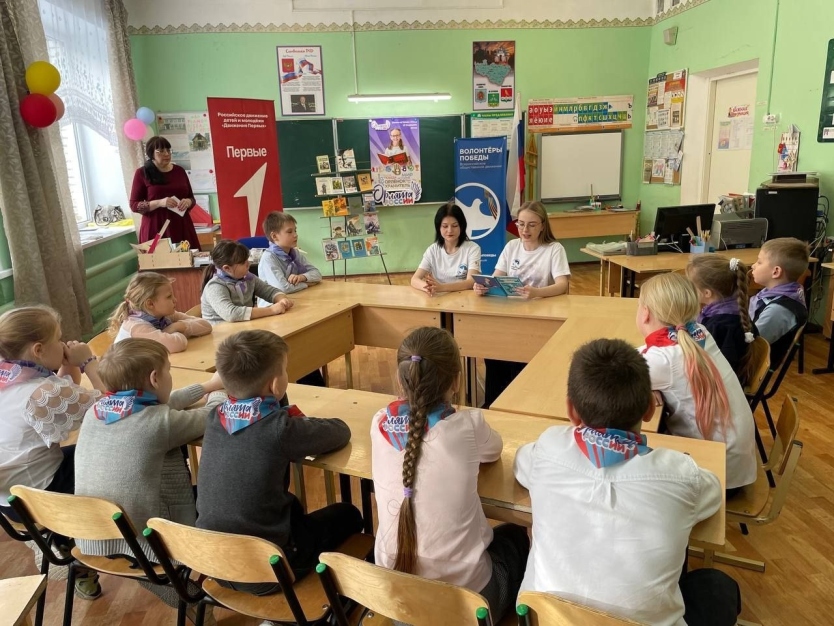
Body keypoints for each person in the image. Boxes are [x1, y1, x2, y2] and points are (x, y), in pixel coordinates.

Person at [514, 338, 741, 626]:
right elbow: (713, 494)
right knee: (717, 586)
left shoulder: (548, 447)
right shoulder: (682, 475)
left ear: (571, 411)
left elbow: (520, 463)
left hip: (543, 620)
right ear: (650, 408)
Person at [372, 327, 529, 624]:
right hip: (468, 608)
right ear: (456, 381)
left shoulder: (379, 422)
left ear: (400, 380)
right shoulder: (467, 426)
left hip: (400, 606)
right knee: (516, 537)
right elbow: (494, 450)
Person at [196, 330, 363, 602]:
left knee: (294, 513)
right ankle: (333, 601)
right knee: (349, 514)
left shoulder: (216, 417)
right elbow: (339, 432)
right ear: (275, 385)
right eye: (285, 370)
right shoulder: (279, 429)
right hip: (270, 569)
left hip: (214, 562)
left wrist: (276, 401)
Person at [75, 339, 224, 561]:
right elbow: (212, 415)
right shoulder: (159, 423)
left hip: (96, 536)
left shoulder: (95, 411)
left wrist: (206, 386)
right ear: (155, 378)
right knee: (218, 497)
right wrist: (220, 392)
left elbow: (161, 406)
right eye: (168, 371)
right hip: (151, 543)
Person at [0, 306, 106, 600]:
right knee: (118, 450)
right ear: (38, 349)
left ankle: (60, 543)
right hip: (44, 495)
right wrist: (88, 362)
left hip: (9, 500)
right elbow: (111, 409)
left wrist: (67, 365)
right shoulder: (39, 393)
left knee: (82, 451)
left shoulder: (11, 376)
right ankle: (104, 543)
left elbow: (63, 395)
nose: (63, 343)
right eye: (58, 339)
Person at [637, 273, 757, 493]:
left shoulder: (663, 362)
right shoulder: (698, 333)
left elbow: (611, 376)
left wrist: (645, 383)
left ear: (645, 313)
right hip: (734, 460)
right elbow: (644, 356)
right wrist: (647, 382)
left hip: (716, 473)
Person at [475, 200, 570, 408]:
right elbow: (496, 277)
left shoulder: (554, 249)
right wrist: (483, 286)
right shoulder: (512, 247)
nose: (525, 230)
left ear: (542, 225)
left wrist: (537, 292)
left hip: (540, 315)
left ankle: (519, 404)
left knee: (519, 359)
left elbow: (562, 285)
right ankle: (494, 404)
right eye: (521, 224)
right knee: (494, 353)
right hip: (511, 313)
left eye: (532, 225)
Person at [686, 256, 754, 379]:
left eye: (690, 286)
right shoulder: (734, 310)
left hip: (720, 383)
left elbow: (704, 366)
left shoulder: (719, 326)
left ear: (707, 293)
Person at [109, 272, 211, 353]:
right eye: (169, 297)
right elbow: (177, 344)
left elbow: (206, 326)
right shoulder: (136, 327)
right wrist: (175, 330)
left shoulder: (165, 316)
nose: (175, 300)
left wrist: (179, 326)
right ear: (150, 304)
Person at [129, 136, 201, 251]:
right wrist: (159, 203)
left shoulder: (179, 171)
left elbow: (191, 198)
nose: (166, 154)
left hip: (181, 225)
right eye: (161, 151)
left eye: (168, 150)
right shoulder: (142, 173)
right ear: (151, 153)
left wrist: (188, 202)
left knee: (186, 259)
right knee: (158, 260)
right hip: (156, 227)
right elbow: (134, 205)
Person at [749, 237, 810, 367]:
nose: (753, 266)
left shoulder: (778, 310)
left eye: (759, 262)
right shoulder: (772, 293)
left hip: (748, 368)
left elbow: (751, 346)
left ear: (776, 272)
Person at [200, 240, 294, 324]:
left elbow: (269, 291)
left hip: (242, 328)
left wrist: (281, 299)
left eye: (247, 260)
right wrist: (271, 310)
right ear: (227, 268)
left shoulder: (248, 278)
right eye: (243, 263)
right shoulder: (215, 286)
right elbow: (232, 314)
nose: (248, 264)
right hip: (220, 334)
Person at [411, 202, 482, 295]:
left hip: (464, 298)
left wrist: (441, 287)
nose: (450, 230)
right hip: (439, 299)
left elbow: (471, 282)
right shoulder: (432, 250)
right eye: (445, 226)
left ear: (461, 226)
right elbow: (414, 279)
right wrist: (428, 287)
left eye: (454, 226)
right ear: (438, 228)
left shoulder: (473, 248)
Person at [258, 212, 322, 298]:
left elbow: (317, 274)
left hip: (295, 297)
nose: (295, 235)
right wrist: (307, 284)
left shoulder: (295, 253)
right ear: (274, 236)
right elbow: (282, 288)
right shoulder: (269, 258)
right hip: (272, 303)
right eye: (289, 232)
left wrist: (302, 277)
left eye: (295, 230)